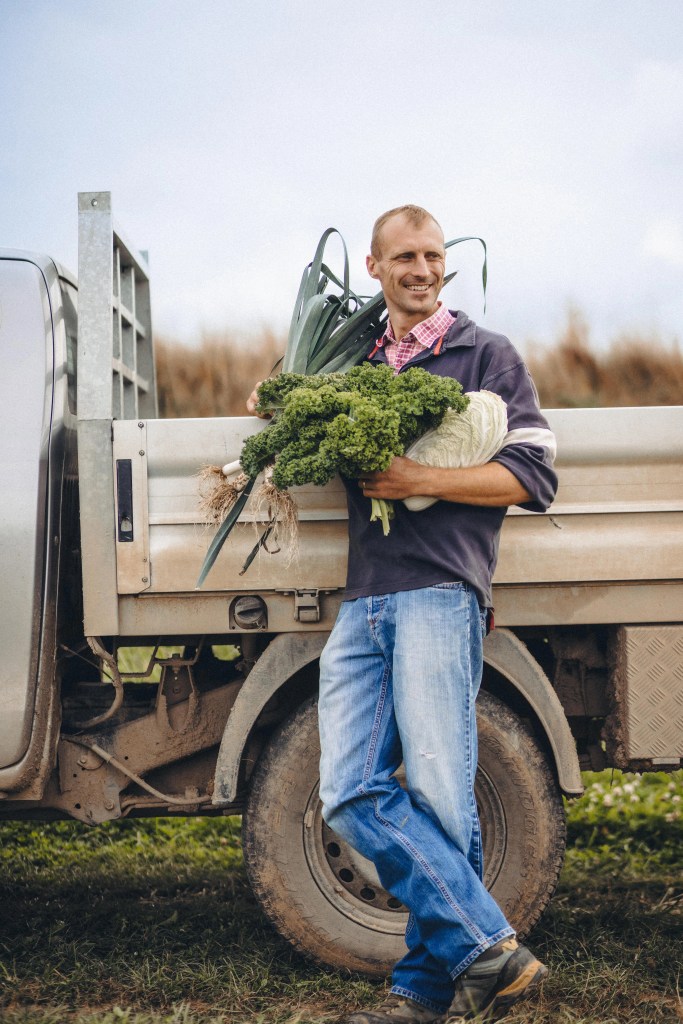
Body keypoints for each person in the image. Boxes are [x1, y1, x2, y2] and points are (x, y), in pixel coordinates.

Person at [249, 205, 558, 1023]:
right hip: (364, 597)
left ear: (444, 267)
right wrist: (277, 407)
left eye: (433, 256)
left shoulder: (484, 354)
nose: (421, 270)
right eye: (404, 258)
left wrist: (412, 477)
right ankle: (490, 951)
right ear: (374, 270)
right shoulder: (356, 366)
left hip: (437, 589)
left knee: (442, 799)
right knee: (348, 790)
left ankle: (420, 994)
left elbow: (531, 477)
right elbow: (296, 420)